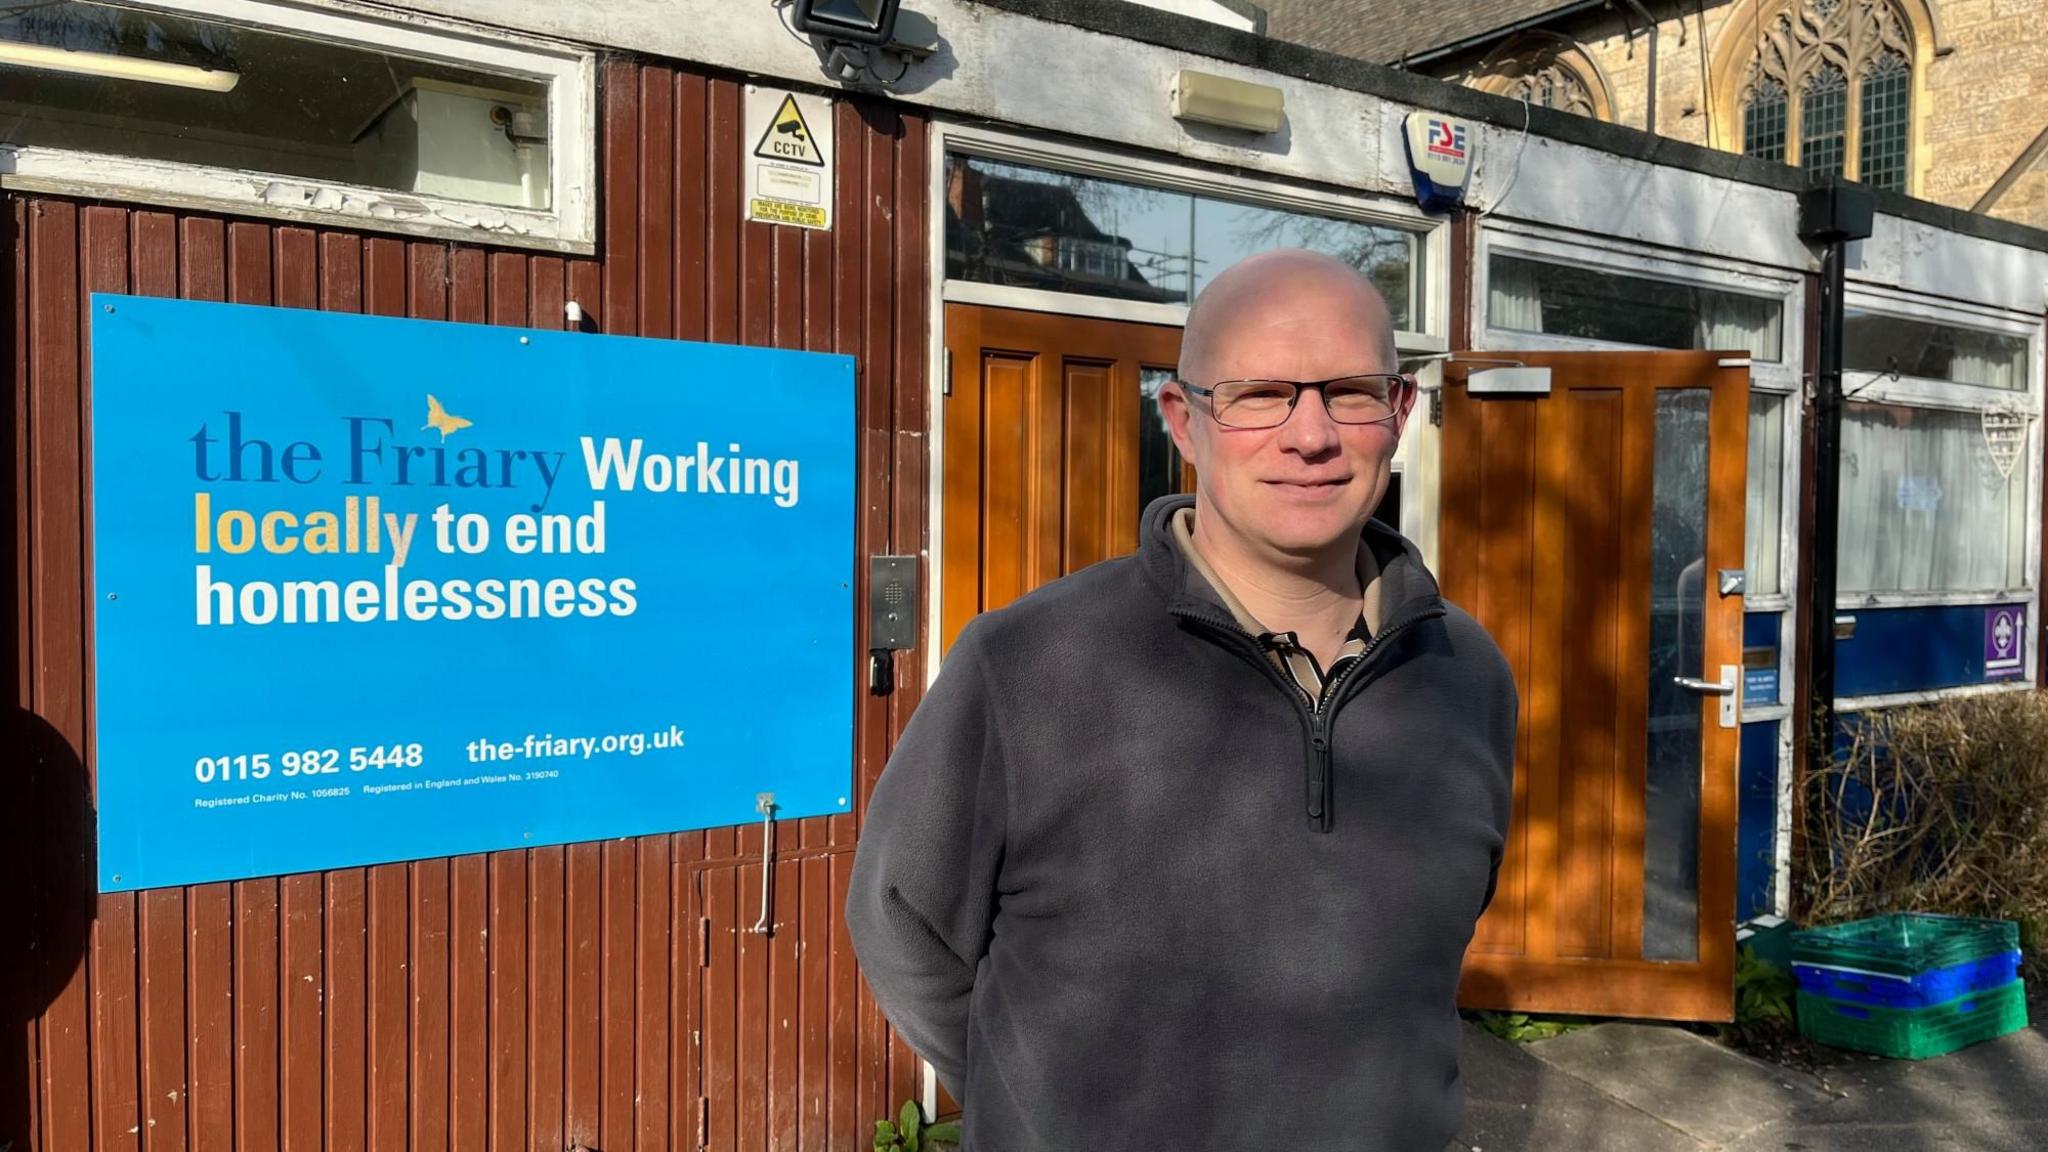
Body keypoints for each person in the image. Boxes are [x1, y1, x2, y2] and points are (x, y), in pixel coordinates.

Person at [846, 249, 1518, 1151]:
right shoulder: (1030, 666)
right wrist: (1036, 1105)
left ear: (1398, 415)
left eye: (1350, 391)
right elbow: (902, 921)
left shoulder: (1465, 674)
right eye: (1258, 394)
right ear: (1183, 421)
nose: (1310, 434)